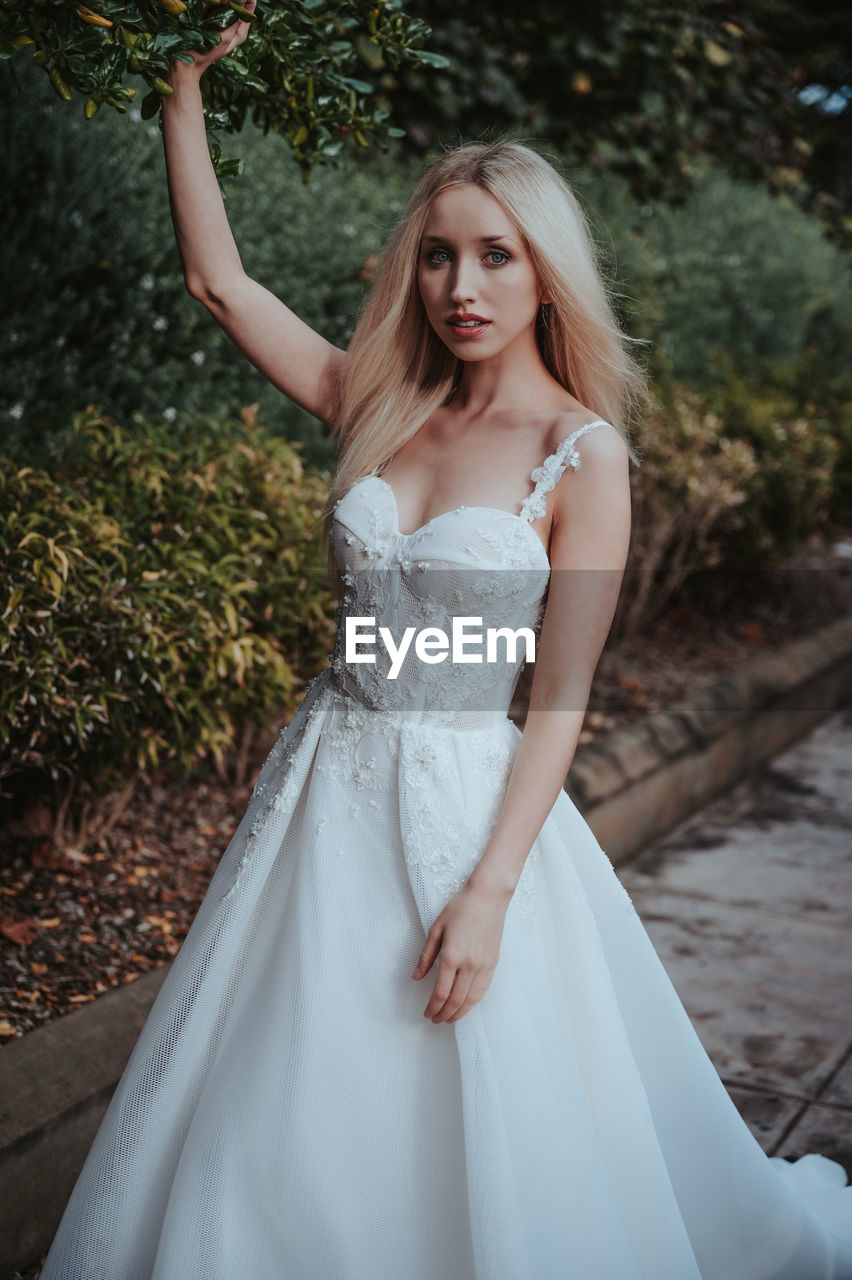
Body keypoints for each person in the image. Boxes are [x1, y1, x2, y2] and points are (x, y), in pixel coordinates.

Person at [40, 5, 852, 1278]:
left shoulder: (583, 454)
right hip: (322, 784)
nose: (462, 288)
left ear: (544, 274)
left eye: (495, 257)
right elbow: (221, 283)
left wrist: (489, 893)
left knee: (468, 1085)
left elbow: (563, 699)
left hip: (470, 802)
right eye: (436, 257)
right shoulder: (382, 401)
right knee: (288, 1079)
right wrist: (181, 96)